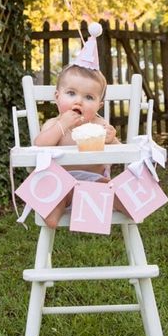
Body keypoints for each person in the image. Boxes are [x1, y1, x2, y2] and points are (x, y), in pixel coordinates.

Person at [34, 61, 128, 228]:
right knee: (54, 197)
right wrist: (62, 125)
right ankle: (53, 214)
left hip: (95, 182)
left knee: (112, 188)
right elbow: (39, 145)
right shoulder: (54, 124)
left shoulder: (100, 125)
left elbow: (122, 154)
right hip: (61, 184)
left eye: (89, 97)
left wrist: (112, 140)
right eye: (71, 93)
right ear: (57, 97)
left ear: (99, 105)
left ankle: (124, 205)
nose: (79, 101)